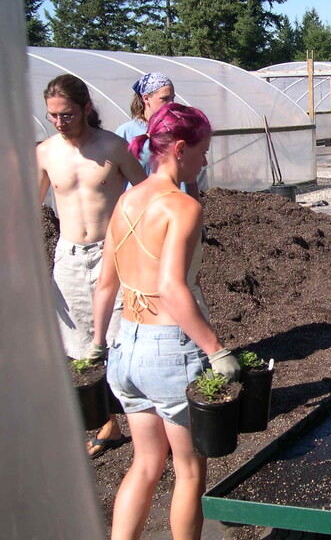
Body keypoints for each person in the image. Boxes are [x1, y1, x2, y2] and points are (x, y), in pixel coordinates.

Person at [90, 103, 240, 540]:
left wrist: (97, 345)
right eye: (202, 150)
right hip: (167, 351)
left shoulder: (125, 201)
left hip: (126, 350)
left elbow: (105, 285)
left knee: (146, 464)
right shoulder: (182, 206)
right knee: (190, 470)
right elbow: (172, 288)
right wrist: (217, 350)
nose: (206, 160)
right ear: (178, 148)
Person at [36, 74, 147, 457]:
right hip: (68, 258)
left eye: (66, 114)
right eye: (52, 115)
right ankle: (108, 425)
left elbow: (145, 194)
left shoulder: (113, 147)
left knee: (120, 340)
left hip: (111, 253)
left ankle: (143, 426)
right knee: (82, 346)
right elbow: (31, 206)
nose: (59, 122)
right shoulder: (46, 152)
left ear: (85, 108)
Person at [116, 72, 200, 200]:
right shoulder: (126, 133)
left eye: (172, 98)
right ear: (146, 98)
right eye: (164, 99)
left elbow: (190, 179)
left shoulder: (180, 130)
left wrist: (195, 206)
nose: (171, 104)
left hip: (176, 206)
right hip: (141, 209)